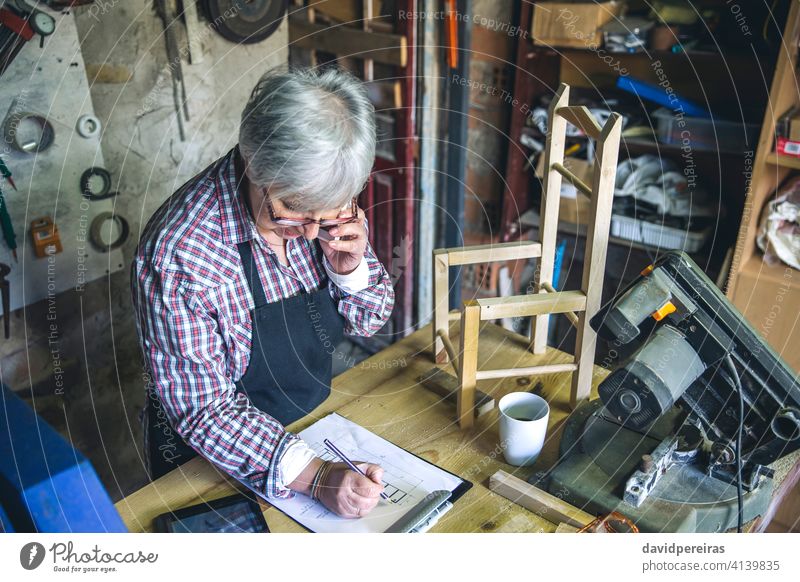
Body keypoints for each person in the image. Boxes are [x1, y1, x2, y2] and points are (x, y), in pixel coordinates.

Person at [131, 67, 395, 519]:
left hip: (314, 427)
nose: (311, 233)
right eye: (291, 212)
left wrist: (350, 272)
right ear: (253, 162)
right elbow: (204, 408)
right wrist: (314, 476)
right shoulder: (180, 254)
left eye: (327, 215)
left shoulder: (320, 208)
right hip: (210, 462)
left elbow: (369, 320)